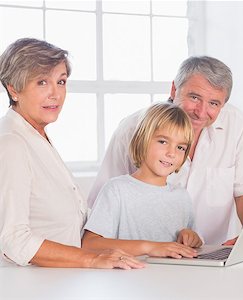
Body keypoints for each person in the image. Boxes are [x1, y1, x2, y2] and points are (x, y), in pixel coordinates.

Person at [88, 56, 243, 245]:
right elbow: (100, 213)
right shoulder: (133, 128)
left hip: (205, 254)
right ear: (174, 90)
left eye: (214, 103)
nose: (201, 112)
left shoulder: (236, 125)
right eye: (194, 98)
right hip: (136, 260)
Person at [0, 38, 144, 269]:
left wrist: (152, 244)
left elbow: (72, 222)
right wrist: (93, 259)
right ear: (13, 89)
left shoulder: (36, 136)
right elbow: (13, 240)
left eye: (61, 81)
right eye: (42, 82)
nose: (55, 94)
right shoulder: (11, 143)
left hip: (63, 280)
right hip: (32, 286)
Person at [82, 103, 202, 258]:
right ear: (141, 140)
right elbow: (90, 244)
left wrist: (192, 238)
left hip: (172, 279)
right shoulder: (117, 190)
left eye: (180, 147)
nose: (171, 153)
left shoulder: (182, 196)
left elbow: (193, 242)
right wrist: (149, 247)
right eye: (163, 142)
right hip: (129, 278)